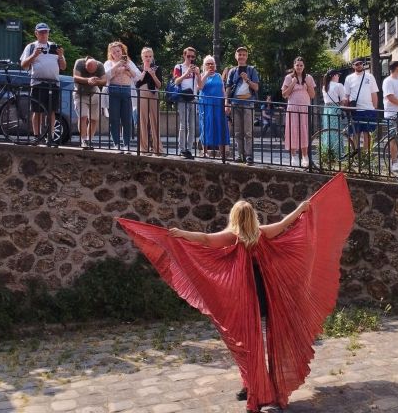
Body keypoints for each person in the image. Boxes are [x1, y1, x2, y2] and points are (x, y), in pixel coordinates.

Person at [117, 174, 355, 413]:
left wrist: (181, 235)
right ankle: (256, 385)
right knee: (257, 341)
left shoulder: (233, 237)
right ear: (252, 218)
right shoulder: (261, 233)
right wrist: (302, 209)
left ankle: (253, 387)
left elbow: (205, 240)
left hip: (243, 299)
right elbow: (285, 223)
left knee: (245, 344)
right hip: (266, 297)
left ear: (234, 218)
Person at [20, 22, 66, 142]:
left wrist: (60, 56)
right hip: (37, 83)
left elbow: (63, 67)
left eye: (46, 32)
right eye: (41, 32)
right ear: (36, 33)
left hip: (54, 83)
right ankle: (36, 136)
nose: (44, 34)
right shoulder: (31, 47)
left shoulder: (54, 46)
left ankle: (49, 137)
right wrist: (34, 55)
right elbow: (24, 65)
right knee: (37, 111)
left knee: (51, 112)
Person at [225, 46, 260, 165]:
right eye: (239, 54)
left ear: (247, 56)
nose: (241, 57)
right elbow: (228, 88)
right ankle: (239, 155)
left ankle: (249, 156)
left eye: (244, 55)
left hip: (248, 103)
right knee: (238, 132)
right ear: (236, 56)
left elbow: (256, 87)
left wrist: (247, 79)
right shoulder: (232, 71)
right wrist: (227, 103)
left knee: (248, 132)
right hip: (235, 103)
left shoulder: (252, 70)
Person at [103, 41, 140, 151]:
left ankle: (127, 144)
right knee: (114, 119)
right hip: (113, 90)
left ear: (122, 51)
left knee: (127, 119)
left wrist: (128, 69)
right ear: (111, 53)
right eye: (114, 52)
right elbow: (106, 76)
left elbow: (137, 76)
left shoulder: (129, 62)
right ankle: (116, 143)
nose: (117, 53)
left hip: (127, 90)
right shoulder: (108, 63)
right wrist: (118, 65)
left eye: (118, 51)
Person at [281, 57, 316, 167]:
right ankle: (293, 156)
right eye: (297, 65)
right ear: (294, 66)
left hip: (305, 108)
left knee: (304, 131)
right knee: (293, 130)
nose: (299, 67)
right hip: (293, 108)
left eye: (301, 65)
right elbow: (285, 94)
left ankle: (305, 156)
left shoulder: (308, 77)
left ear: (304, 66)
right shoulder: (289, 77)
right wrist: (293, 83)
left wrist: (307, 85)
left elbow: (312, 95)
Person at [172, 47, 202, 159]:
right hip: (182, 98)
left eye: (192, 57)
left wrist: (198, 74)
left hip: (193, 98)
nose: (190, 58)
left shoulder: (196, 69)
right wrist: (187, 73)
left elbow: (200, 86)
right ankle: (182, 149)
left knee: (192, 126)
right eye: (188, 56)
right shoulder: (179, 67)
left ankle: (189, 149)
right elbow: (176, 81)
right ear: (184, 55)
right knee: (183, 125)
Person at [344, 58, 379, 150]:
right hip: (355, 110)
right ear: (353, 66)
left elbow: (374, 93)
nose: (359, 65)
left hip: (369, 109)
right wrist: (346, 107)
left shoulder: (370, 76)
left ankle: (365, 156)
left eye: (361, 63)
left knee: (367, 134)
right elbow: (346, 95)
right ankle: (356, 155)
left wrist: (375, 108)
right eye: (357, 64)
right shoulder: (349, 78)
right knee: (356, 133)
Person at [197, 55, 229, 158]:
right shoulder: (201, 75)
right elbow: (199, 87)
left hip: (218, 104)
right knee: (206, 126)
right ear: (204, 65)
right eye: (208, 64)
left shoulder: (219, 76)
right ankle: (205, 151)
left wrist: (226, 103)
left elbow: (223, 91)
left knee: (220, 126)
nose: (210, 66)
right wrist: (206, 75)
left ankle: (222, 152)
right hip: (206, 105)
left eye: (212, 64)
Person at [73, 56, 107, 149]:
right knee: (83, 116)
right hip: (80, 93)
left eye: (93, 70)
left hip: (94, 93)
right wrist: (88, 80)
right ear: (85, 65)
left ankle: (90, 140)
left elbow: (104, 81)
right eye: (89, 70)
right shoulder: (79, 63)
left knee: (94, 119)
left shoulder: (100, 65)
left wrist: (96, 81)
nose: (90, 72)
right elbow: (75, 77)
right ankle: (83, 140)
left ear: (96, 66)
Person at [135, 47, 163, 155]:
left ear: (153, 57)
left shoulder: (157, 68)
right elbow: (137, 83)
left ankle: (158, 149)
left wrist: (152, 74)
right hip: (142, 93)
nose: (148, 58)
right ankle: (144, 148)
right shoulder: (138, 68)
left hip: (153, 93)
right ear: (142, 57)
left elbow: (159, 85)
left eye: (150, 56)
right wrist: (144, 72)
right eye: (146, 56)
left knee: (155, 121)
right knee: (143, 121)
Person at [320, 69, 347, 165]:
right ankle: (337, 154)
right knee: (336, 131)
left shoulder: (324, 87)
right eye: (338, 75)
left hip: (326, 109)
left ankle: (327, 153)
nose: (339, 77)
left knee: (327, 131)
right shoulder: (339, 85)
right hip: (335, 109)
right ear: (333, 76)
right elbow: (344, 100)